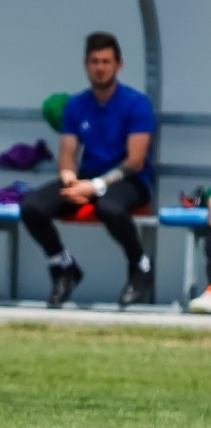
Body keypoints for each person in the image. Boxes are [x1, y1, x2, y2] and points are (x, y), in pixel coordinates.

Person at [20, 32, 157, 308]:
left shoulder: (136, 103)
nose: (100, 67)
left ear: (119, 65)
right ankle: (63, 266)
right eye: (94, 61)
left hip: (130, 181)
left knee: (109, 207)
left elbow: (135, 161)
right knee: (32, 206)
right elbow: (68, 154)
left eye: (106, 61)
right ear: (86, 65)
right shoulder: (76, 105)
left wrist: (95, 186)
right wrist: (70, 178)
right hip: (87, 179)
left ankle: (140, 266)